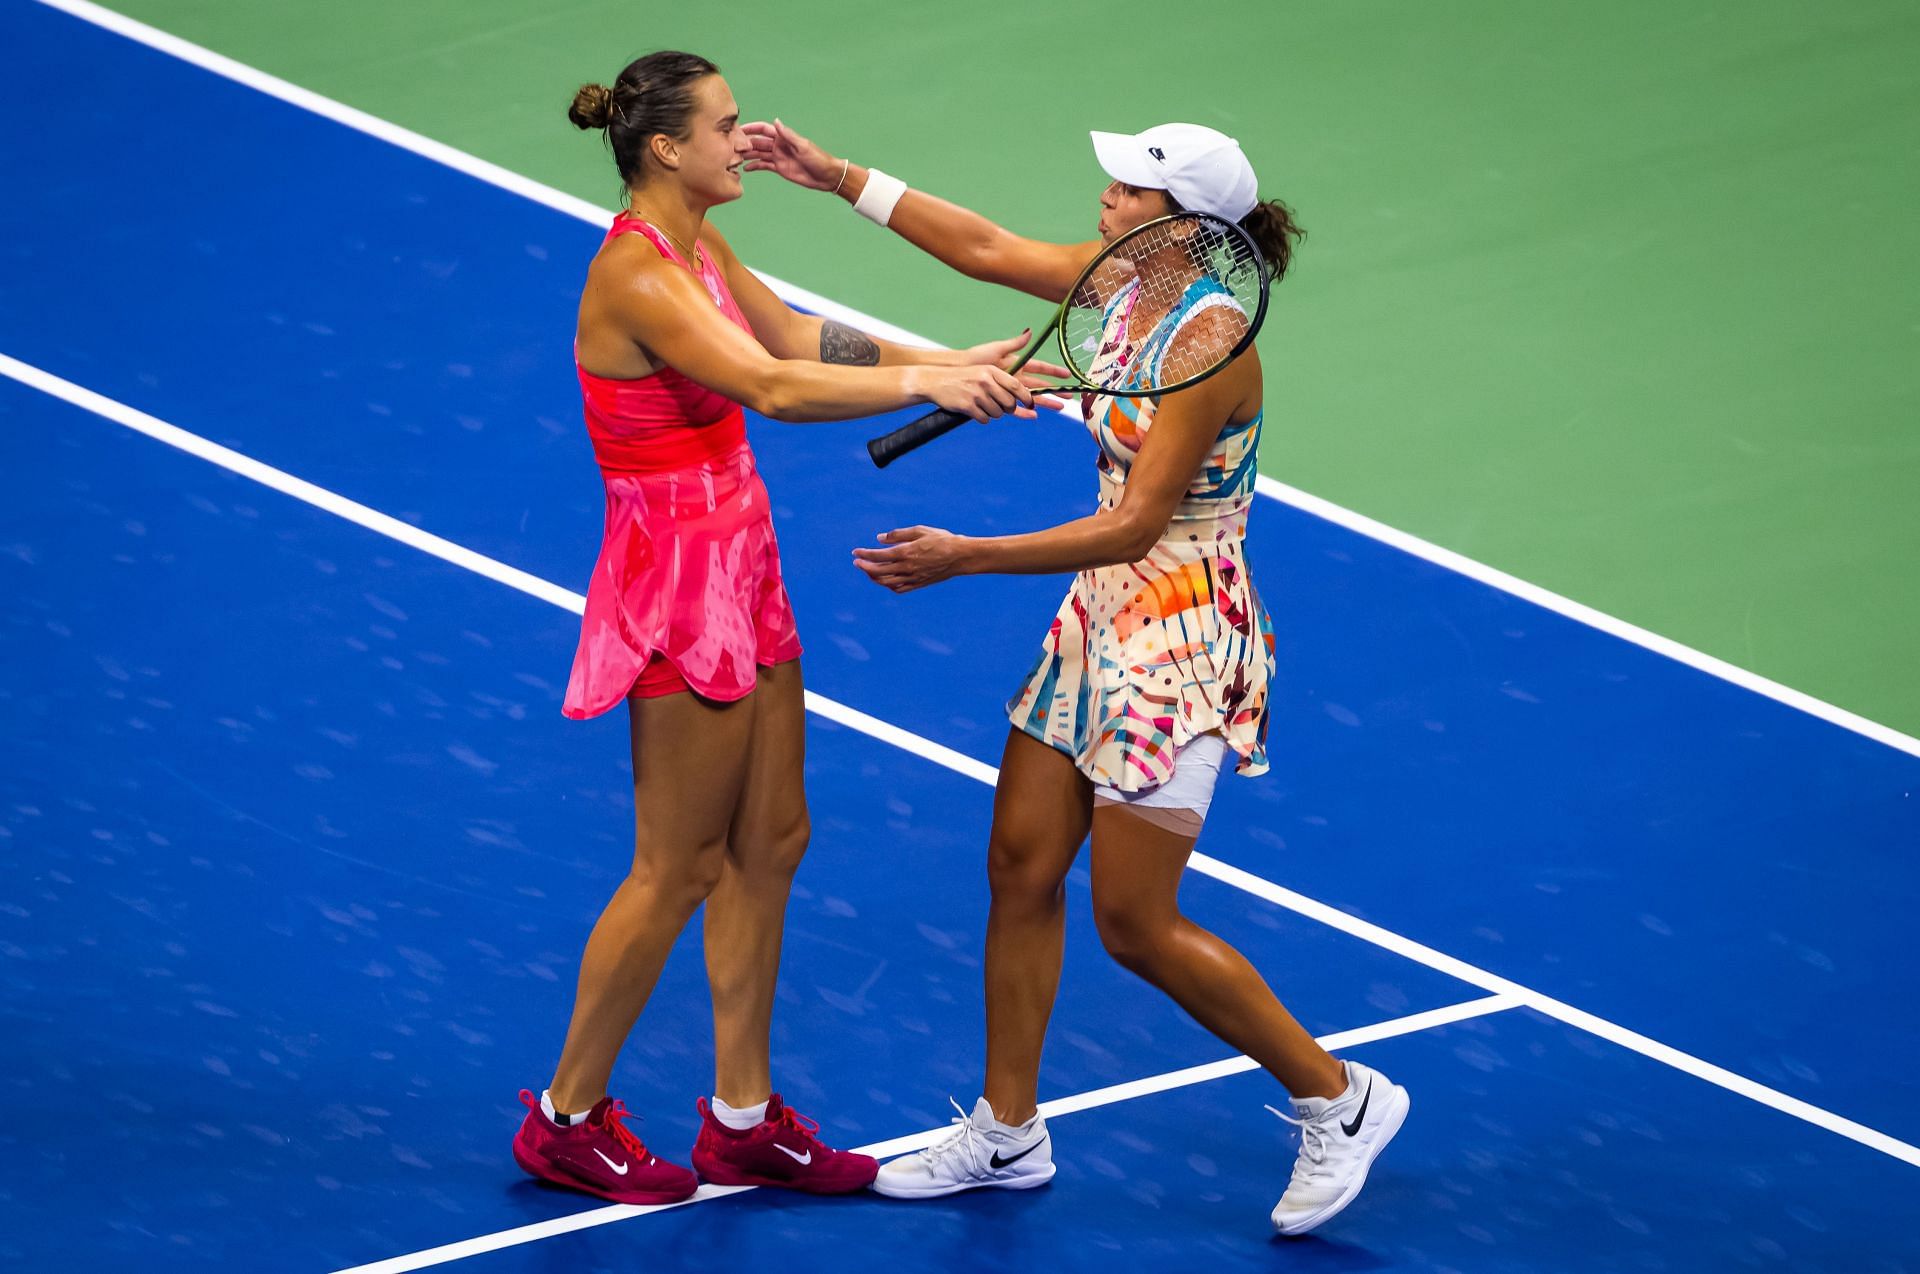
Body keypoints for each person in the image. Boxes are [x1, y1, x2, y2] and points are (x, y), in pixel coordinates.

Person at [743, 116, 1409, 1234]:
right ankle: (1008, 1132)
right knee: (1020, 862)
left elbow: (1140, 520)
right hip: (1099, 621)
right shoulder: (1126, 291)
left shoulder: (1212, 346)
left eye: (1128, 191)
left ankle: (1340, 1097)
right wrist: (835, 176)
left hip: (1181, 635)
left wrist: (967, 555)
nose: (1104, 199)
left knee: (1136, 923)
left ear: (1187, 228)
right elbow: (989, 248)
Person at [510, 51, 1060, 1207]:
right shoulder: (636, 276)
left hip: (742, 566)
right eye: (723, 123)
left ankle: (742, 1119)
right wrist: (930, 386)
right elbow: (774, 389)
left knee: (771, 841)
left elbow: (802, 338)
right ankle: (565, 1116)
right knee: (677, 864)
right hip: (675, 582)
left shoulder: (699, 245)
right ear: (666, 148)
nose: (741, 136)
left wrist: (949, 359)